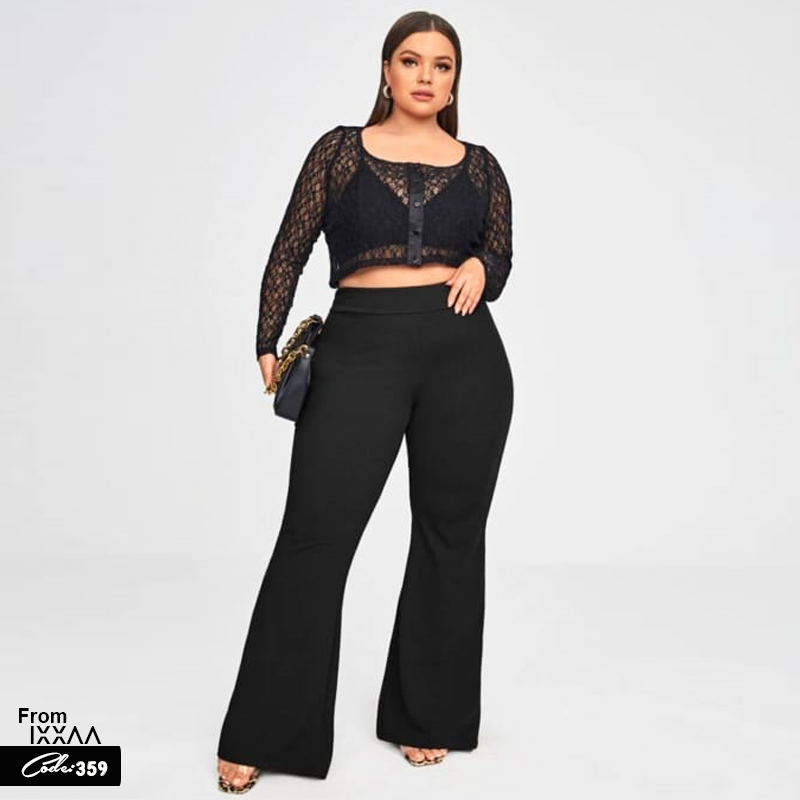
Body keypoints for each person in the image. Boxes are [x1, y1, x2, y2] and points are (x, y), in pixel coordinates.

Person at [216, 11, 514, 792]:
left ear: (455, 80)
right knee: (315, 535)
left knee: (451, 536)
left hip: (465, 357)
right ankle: (265, 730)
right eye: (411, 61)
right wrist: (266, 336)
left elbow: (501, 254)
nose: (426, 76)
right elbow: (290, 246)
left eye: (442, 65)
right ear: (386, 70)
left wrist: (483, 267)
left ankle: (428, 716)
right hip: (359, 350)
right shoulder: (339, 150)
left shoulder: (483, 167)